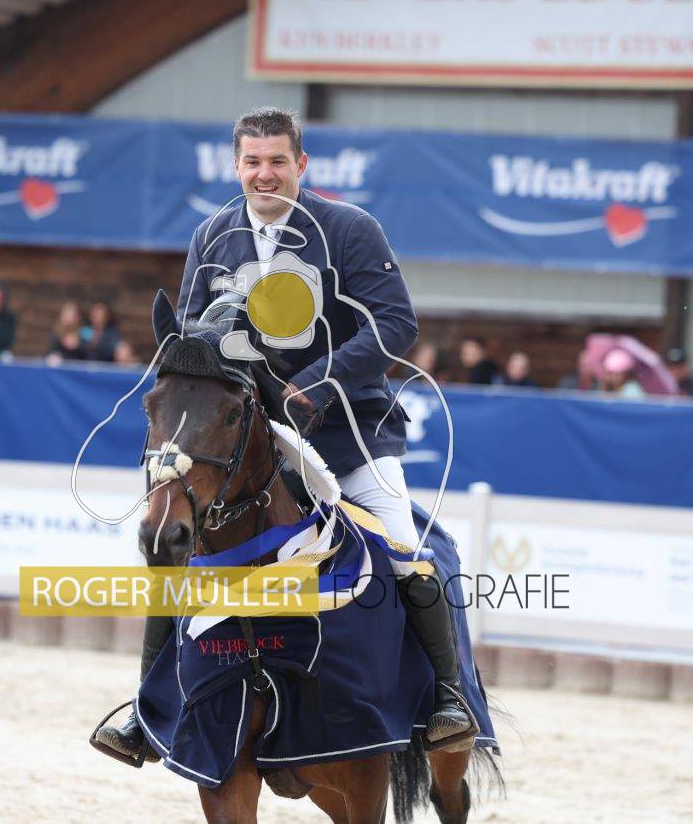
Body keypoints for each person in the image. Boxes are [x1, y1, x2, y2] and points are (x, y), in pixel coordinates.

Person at [94, 106, 477, 762]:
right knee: (175, 546)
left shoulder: (350, 229)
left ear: (301, 164)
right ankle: (147, 711)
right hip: (247, 438)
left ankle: (447, 697)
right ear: (236, 165)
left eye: (277, 161)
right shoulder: (212, 235)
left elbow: (394, 324)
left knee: (406, 549)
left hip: (349, 432)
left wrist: (317, 385)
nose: (264, 174)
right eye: (252, 162)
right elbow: (193, 342)